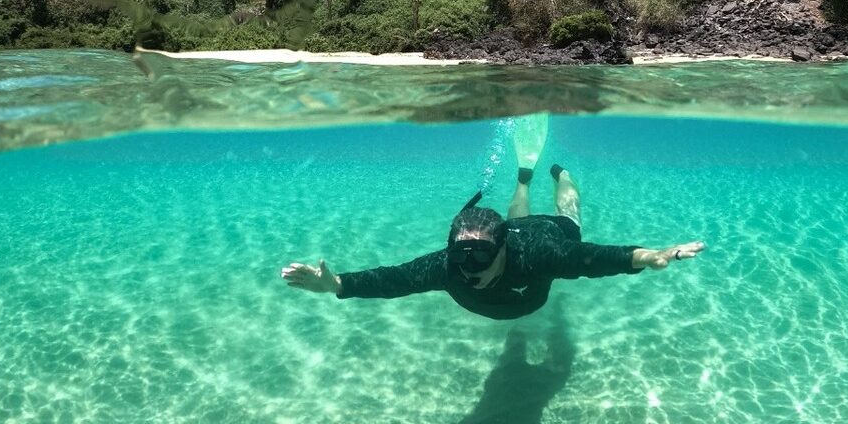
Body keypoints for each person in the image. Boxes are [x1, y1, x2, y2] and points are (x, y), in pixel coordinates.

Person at [281, 161, 704, 320]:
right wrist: (335, 286)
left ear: (501, 249)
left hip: (542, 234)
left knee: (568, 218)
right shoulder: (449, 265)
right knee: (517, 211)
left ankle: (564, 176)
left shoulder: (540, 255)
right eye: (462, 257)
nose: (469, 269)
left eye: (481, 257)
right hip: (515, 237)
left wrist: (651, 256)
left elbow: (595, 259)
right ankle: (524, 177)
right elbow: (393, 280)